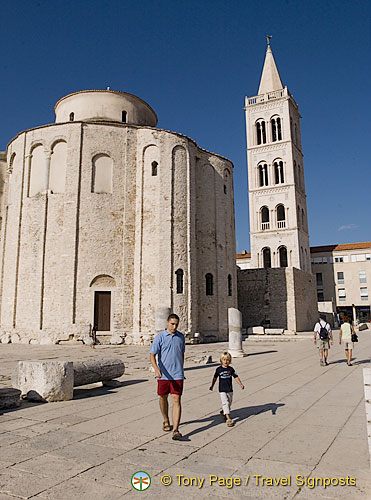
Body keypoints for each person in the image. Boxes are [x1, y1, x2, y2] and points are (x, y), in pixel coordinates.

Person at [149, 313, 185, 440]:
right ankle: (165, 419)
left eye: (176, 324)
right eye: (172, 324)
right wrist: (156, 369)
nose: (174, 327)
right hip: (163, 375)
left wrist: (181, 369)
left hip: (177, 375)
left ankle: (176, 430)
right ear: (167, 323)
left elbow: (182, 354)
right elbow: (152, 355)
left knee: (177, 400)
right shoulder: (160, 337)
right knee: (163, 397)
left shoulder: (181, 337)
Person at [209, 352, 244, 427]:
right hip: (222, 389)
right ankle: (228, 419)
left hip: (229, 389)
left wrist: (240, 384)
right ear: (221, 360)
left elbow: (236, 377)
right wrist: (212, 386)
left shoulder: (231, 369)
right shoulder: (218, 369)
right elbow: (215, 378)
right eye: (224, 360)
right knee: (225, 403)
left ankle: (224, 411)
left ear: (230, 361)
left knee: (229, 402)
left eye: (227, 360)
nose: (225, 361)